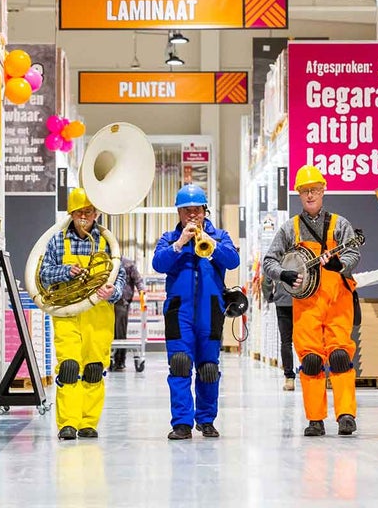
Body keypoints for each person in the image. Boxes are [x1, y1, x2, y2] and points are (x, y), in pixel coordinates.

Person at [262, 165, 361, 437]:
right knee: (312, 360)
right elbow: (268, 260)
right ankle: (315, 419)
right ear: (298, 193)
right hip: (306, 305)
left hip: (337, 299)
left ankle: (346, 415)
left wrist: (340, 264)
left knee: (340, 356)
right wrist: (282, 273)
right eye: (305, 191)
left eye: (314, 190)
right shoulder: (290, 228)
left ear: (323, 190)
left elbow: (354, 253)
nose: (310, 195)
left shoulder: (340, 224)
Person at [152, 184, 240, 440]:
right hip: (179, 311)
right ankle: (181, 423)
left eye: (197, 210)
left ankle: (206, 419)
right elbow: (158, 264)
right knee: (179, 365)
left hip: (211, 310)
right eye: (186, 211)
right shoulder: (169, 238)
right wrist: (180, 244)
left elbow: (232, 260)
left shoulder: (220, 236)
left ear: (205, 211)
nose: (192, 215)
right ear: (179, 213)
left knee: (209, 367)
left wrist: (210, 243)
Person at [39, 188, 126, 440]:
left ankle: (88, 422)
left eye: (88, 211)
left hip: (98, 313)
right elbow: (43, 272)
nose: (84, 216)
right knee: (68, 367)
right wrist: (66, 272)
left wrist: (114, 291)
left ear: (96, 213)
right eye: (79, 212)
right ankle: (68, 423)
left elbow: (117, 274)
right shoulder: (57, 240)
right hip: (67, 310)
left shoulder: (107, 242)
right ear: (72, 214)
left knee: (94, 369)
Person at [261, 275, 296, 391]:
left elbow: (267, 277)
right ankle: (310, 373)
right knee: (307, 338)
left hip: (283, 299)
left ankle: (289, 378)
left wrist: (270, 296)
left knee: (286, 341)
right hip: (303, 298)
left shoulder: (276, 255)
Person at [111, 256, 145, 371]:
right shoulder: (107, 262)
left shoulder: (128, 264)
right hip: (106, 302)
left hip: (121, 301)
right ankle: (110, 359)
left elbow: (138, 280)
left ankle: (119, 361)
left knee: (120, 333)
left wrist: (142, 293)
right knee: (109, 332)